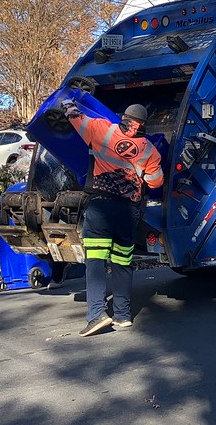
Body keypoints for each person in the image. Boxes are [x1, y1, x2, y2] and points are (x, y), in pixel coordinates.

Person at [60, 100, 163, 337]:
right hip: (128, 213)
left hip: (101, 209)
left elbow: (74, 117)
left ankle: (96, 315)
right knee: (122, 263)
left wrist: (68, 102)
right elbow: (156, 182)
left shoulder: (102, 129)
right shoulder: (149, 149)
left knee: (96, 263)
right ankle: (123, 315)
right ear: (144, 125)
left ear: (124, 117)